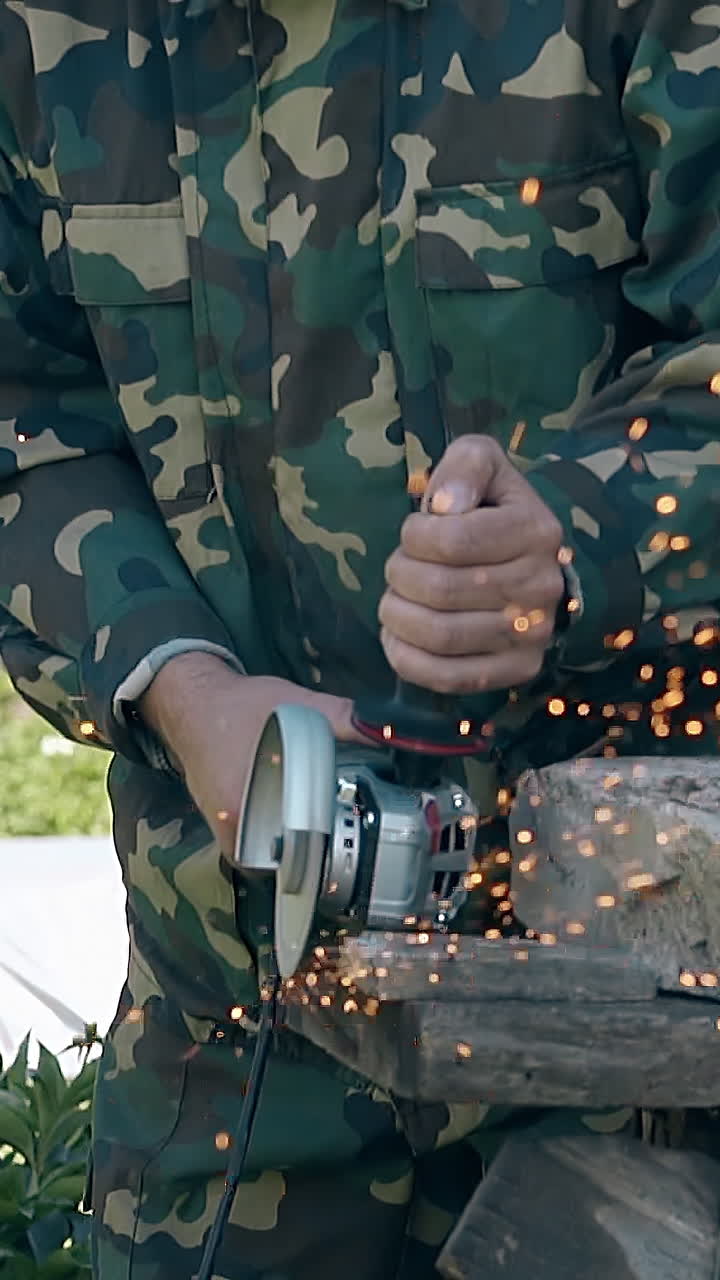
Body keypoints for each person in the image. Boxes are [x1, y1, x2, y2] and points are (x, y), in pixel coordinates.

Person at [1, 1, 719, 1275]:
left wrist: (577, 539)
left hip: (637, 1029)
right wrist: (185, 688)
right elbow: (22, 408)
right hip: (233, 1037)